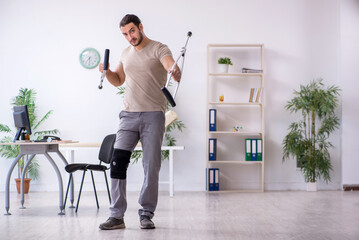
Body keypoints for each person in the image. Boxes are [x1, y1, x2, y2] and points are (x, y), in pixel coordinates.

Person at [98, 14, 181, 230]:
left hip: (153, 115)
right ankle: (116, 215)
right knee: (117, 163)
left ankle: (146, 212)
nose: (129, 37)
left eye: (132, 31)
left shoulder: (158, 48)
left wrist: (174, 70)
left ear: (141, 27)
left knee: (150, 166)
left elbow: (169, 64)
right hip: (128, 115)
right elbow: (118, 80)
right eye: (125, 34)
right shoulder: (125, 54)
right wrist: (106, 72)